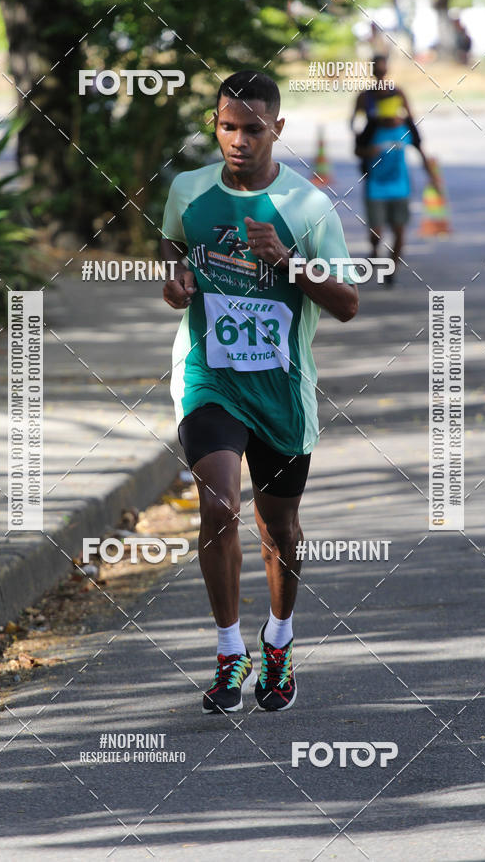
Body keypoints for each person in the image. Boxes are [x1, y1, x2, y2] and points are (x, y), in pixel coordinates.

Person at [161, 70, 359, 714]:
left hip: (281, 389)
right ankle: (228, 650)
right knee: (219, 507)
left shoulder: (308, 207)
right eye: (227, 127)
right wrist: (175, 280)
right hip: (208, 379)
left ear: (278, 129)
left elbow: (348, 304)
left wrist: (288, 261)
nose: (239, 140)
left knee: (279, 530)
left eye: (252, 128)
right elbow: (174, 247)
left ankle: (279, 638)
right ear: (214, 126)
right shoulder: (188, 190)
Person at [352, 59, 439, 287]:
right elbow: (355, 133)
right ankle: (375, 249)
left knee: (400, 230)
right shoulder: (367, 107)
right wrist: (364, 145)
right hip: (376, 185)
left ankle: (391, 270)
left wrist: (433, 178)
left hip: (400, 186)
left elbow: (421, 149)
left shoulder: (405, 123)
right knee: (377, 232)